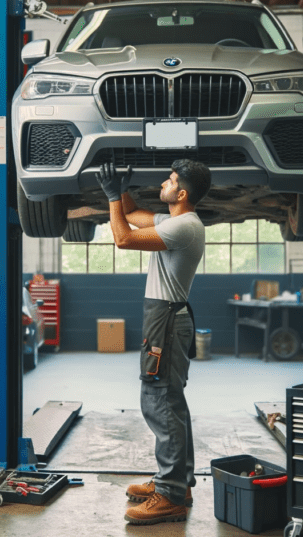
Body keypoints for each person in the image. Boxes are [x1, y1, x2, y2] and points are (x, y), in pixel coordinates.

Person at [95, 159, 211, 525]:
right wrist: (121, 193)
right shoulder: (177, 221)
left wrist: (112, 196)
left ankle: (171, 496)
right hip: (166, 319)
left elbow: (123, 237)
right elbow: (134, 215)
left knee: (159, 402)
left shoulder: (185, 228)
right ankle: (178, 483)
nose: (164, 182)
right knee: (170, 402)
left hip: (166, 324)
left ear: (181, 194)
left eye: (170, 180)